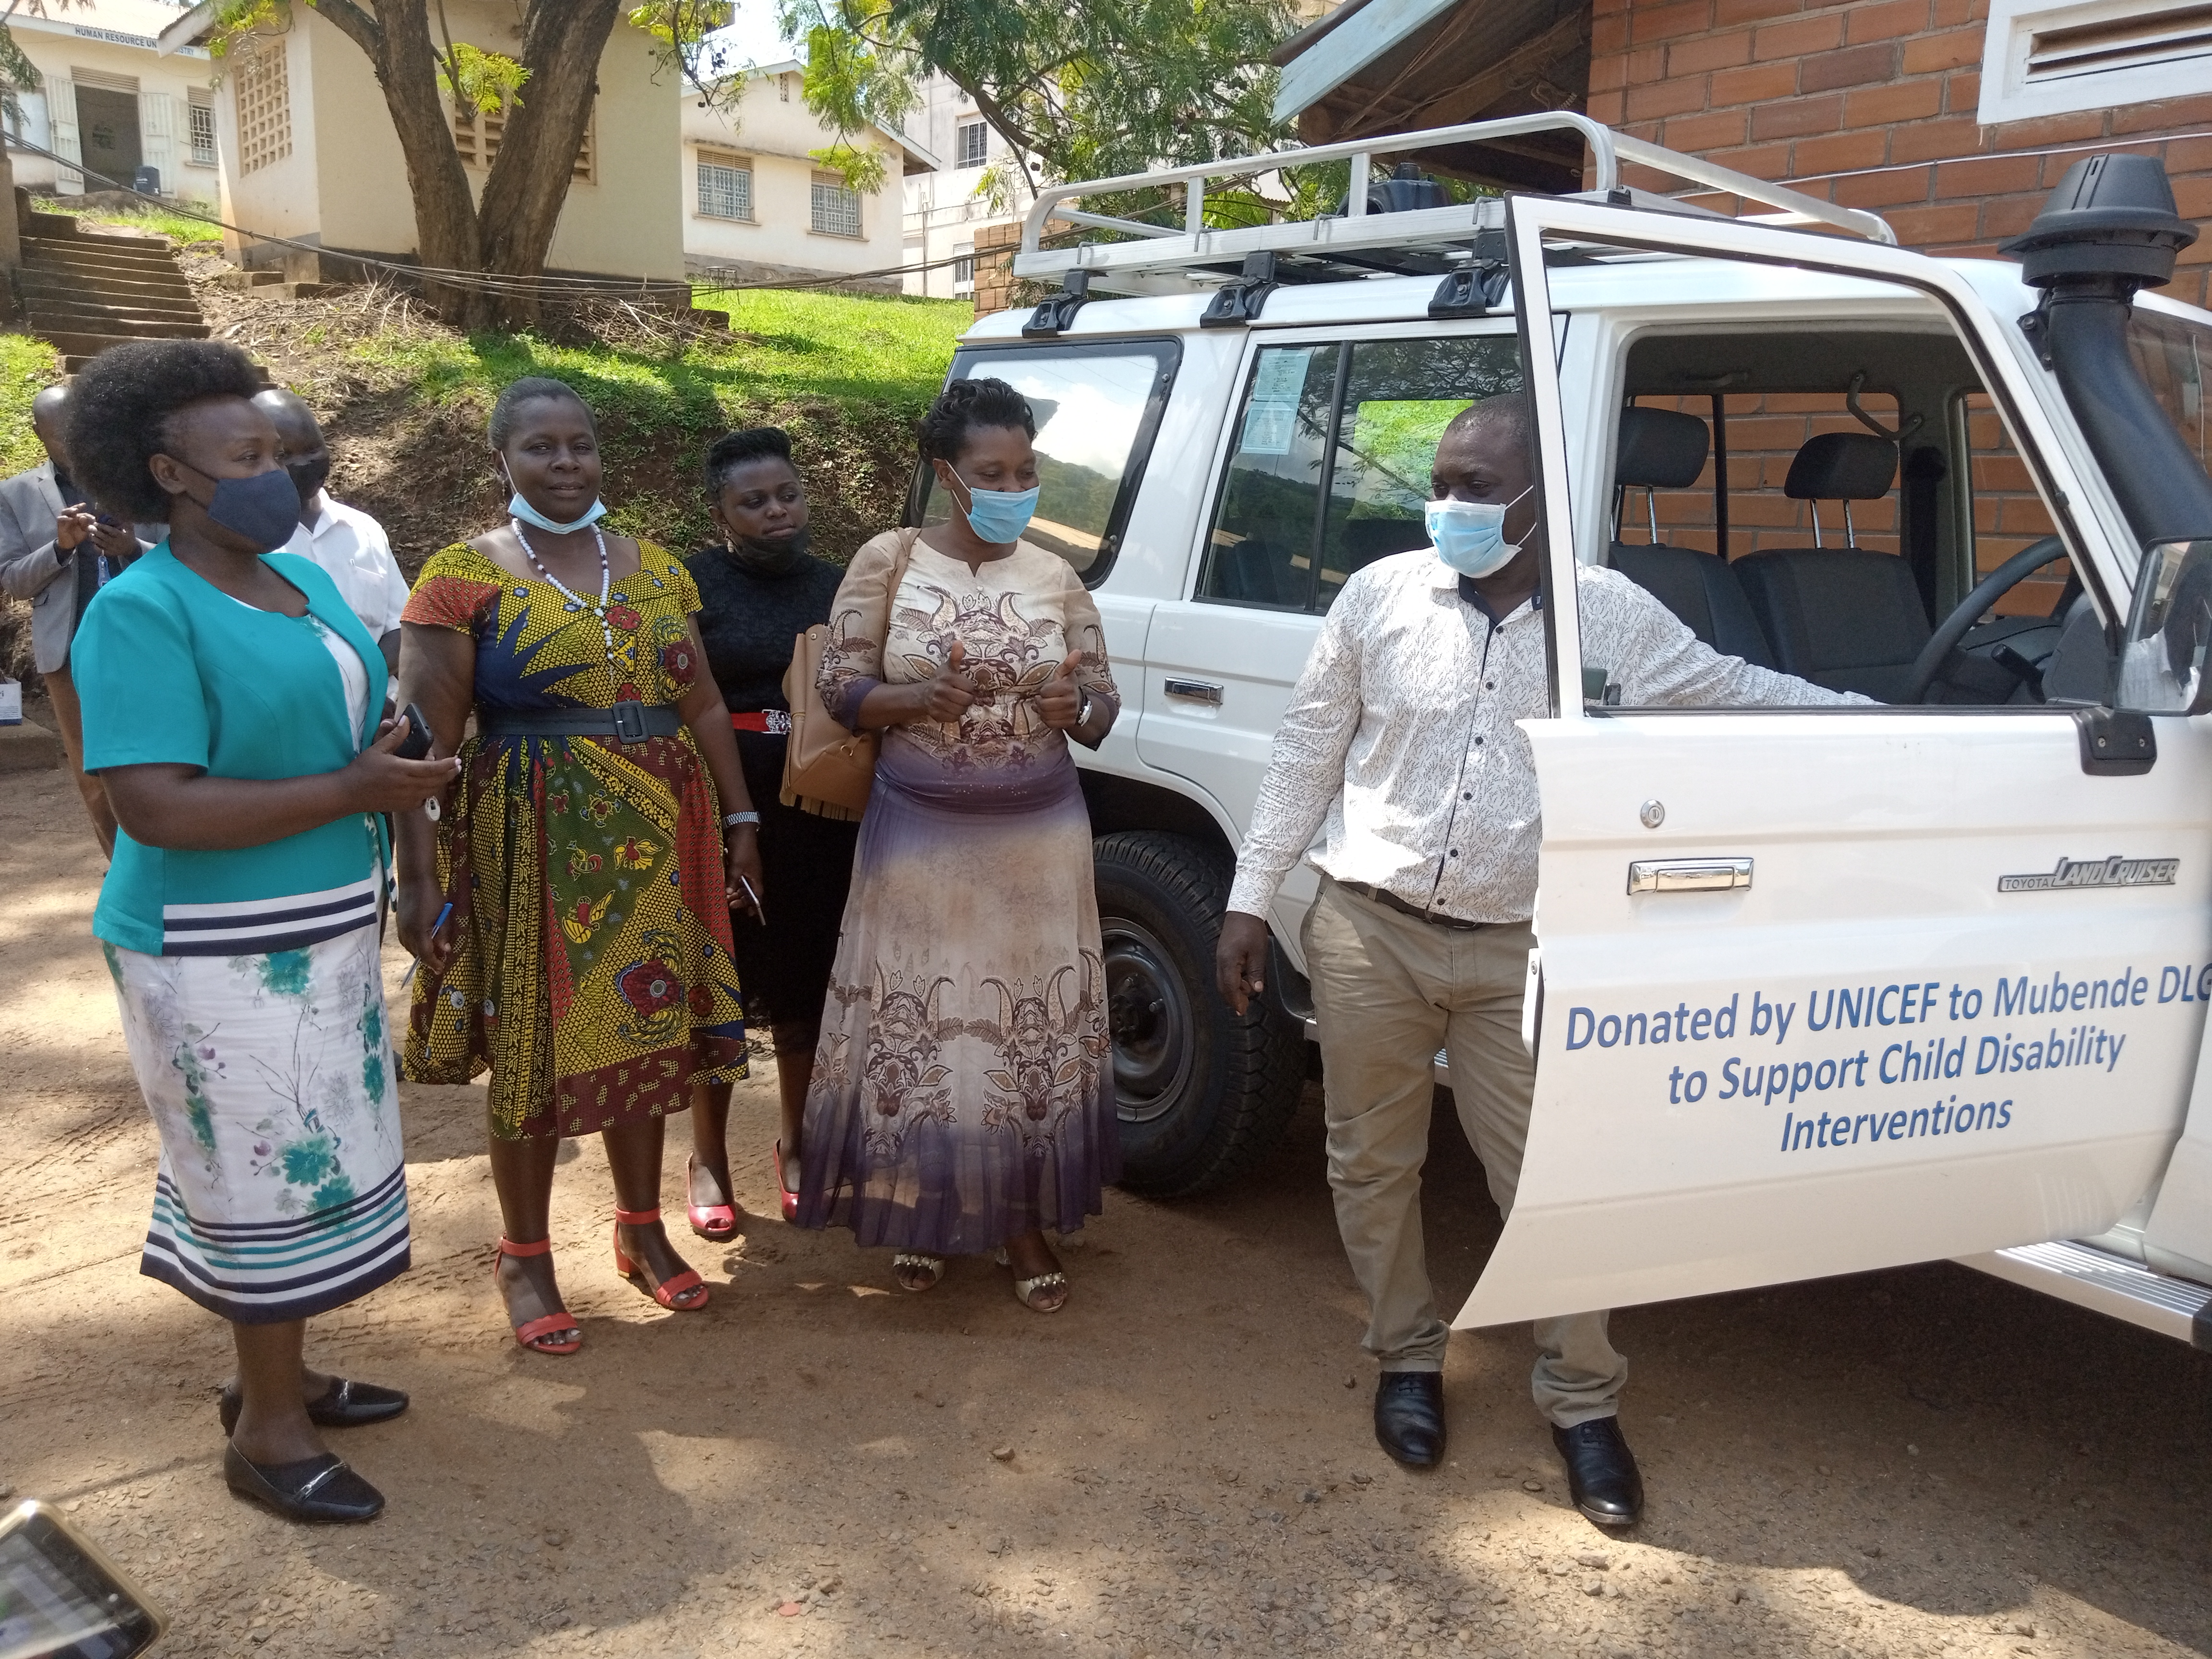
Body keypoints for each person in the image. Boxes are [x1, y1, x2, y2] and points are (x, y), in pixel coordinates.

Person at [1214, 393, 1868, 1524]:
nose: (1448, 505)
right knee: (1371, 1162)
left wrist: (1891, 730)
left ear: (1536, 496)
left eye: (1475, 486)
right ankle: (1408, 1354)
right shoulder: (1378, 596)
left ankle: (1580, 1397)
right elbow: (1306, 750)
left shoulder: (1606, 615)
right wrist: (1246, 897)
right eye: (1442, 480)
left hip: (1521, 946)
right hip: (1368, 928)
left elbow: (1732, 693)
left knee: (1549, 1184)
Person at [64, 339, 458, 1524]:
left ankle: (274, 1377)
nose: (280, 476)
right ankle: (268, 1427)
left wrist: (387, 778)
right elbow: (156, 803)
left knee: (316, 1159)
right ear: (168, 474)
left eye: (287, 454)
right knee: (257, 1176)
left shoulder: (301, 580)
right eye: (247, 456)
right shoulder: (143, 611)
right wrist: (351, 791)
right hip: (211, 948)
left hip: (321, 928)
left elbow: (348, 719)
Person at [394, 376, 761, 1356]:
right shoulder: (459, 578)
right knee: (536, 1048)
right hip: (533, 834)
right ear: (502, 463)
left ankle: (641, 1233)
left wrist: (741, 818)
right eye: (542, 449)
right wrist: (419, 876)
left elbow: (705, 705)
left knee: (649, 1032)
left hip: (660, 826)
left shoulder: (655, 567)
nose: (566, 466)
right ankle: (524, 1255)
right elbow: (425, 739)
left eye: (581, 446)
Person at [795, 377, 1122, 1311]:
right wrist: (910, 701)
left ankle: (1021, 1220)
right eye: (992, 470)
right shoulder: (887, 560)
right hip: (922, 839)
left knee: (1023, 1030)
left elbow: (1101, 705)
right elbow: (841, 689)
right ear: (948, 473)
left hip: (1037, 841)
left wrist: (1075, 707)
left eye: (1026, 469)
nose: (1014, 485)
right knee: (931, 1028)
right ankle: (920, 1210)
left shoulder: (1057, 577)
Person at [684, 428, 858, 1234]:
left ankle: (798, 1145)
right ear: (721, 512)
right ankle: (708, 1160)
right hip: (722, 804)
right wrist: (725, 816)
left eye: (785, 494)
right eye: (752, 502)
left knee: (804, 984)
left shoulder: (841, 585)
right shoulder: (690, 585)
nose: (774, 511)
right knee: (716, 984)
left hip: (819, 808)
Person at [0, 384, 156, 854]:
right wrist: (59, 548)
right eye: (63, 435)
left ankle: (173, 863)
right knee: (94, 773)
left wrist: (134, 550)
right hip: (70, 652)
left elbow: (186, 558)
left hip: (148, 642)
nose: (79, 442)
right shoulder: (15, 494)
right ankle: (124, 874)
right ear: (39, 435)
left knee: (161, 756)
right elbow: (14, 582)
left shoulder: (141, 481)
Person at [253, 387, 409, 674]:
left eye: (313, 449)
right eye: (286, 455)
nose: (303, 464)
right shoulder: (249, 546)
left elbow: (399, 626)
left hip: (381, 709)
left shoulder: (365, 529)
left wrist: (370, 690)